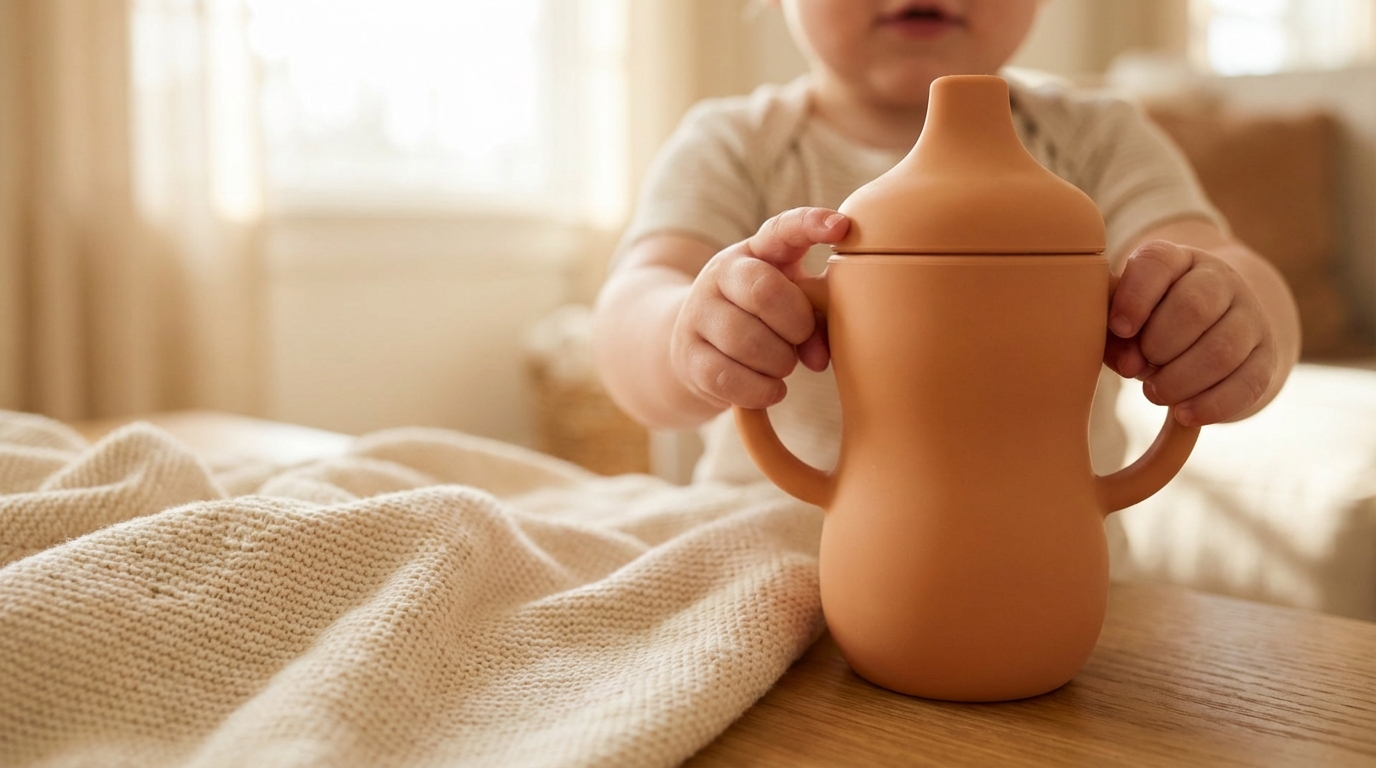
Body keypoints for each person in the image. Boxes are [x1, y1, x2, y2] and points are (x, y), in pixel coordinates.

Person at [592, 0, 1301, 485]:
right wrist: (686, 335)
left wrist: (1235, 321)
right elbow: (635, 308)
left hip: (1044, 569)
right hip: (761, 561)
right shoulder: (733, 145)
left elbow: (1219, 259)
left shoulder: (1100, 139)